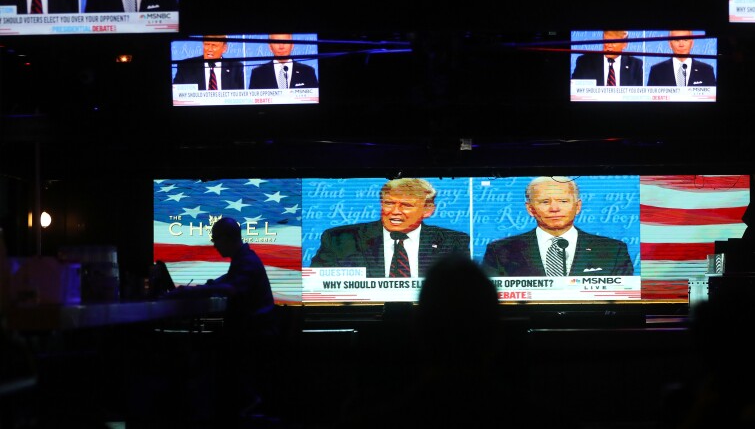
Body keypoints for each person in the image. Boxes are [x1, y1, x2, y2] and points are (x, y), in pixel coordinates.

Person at [163, 216, 276, 419]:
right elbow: (224, 282)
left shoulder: (247, 261)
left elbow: (230, 288)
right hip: (252, 332)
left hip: (251, 335)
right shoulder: (244, 260)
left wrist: (191, 292)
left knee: (200, 359)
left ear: (227, 238)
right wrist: (201, 288)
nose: (214, 245)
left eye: (216, 239)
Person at [310, 178, 470, 278]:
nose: (394, 211)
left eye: (406, 205)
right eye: (389, 203)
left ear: (428, 210)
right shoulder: (340, 239)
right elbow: (317, 285)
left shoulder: (452, 242)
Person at [481, 176, 633, 277]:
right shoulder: (500, 251)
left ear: (578, 206)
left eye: (563, 201)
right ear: (530, 209)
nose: (554, 208)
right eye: (545, 202)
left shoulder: (614, 250)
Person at [571, 30, 644, 86]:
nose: (608, 45)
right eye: (606, 41)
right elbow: (575, 90)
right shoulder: (585, 62)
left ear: (624, 44)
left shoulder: (635, 65)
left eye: (613, 42)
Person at [172, 35, 245, 90]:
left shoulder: (236, 68)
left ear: (224, 48)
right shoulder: (186, 67)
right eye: (206, 44)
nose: (209, 49)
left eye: (214, 46)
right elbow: (176, 94)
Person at [646, 30, 716, 87]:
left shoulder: (706, 70)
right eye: (676, 40)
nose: (681, 44)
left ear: (692, 43)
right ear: (670, 44)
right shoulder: (657, 70)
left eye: (685, 40)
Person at [249, 33, 319, 89]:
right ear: (270, 47)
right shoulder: (258, 74)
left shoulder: (307, 72)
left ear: (292, 45)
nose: (281, 46)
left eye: (285, 42)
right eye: (276, 42)